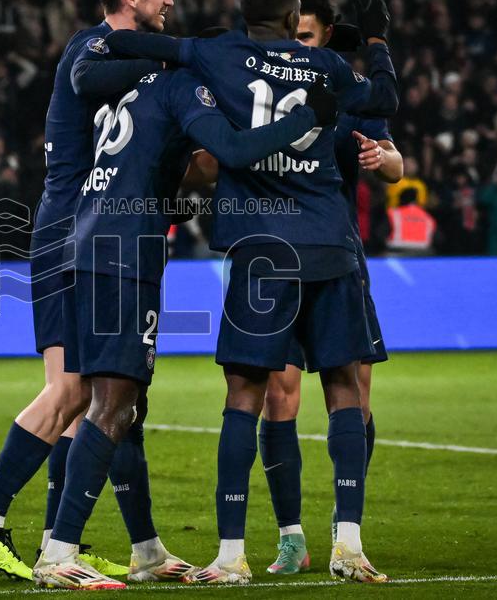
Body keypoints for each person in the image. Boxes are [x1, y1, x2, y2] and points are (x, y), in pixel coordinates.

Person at [104, 0, 398, 584]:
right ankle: (348, 543)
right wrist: (374, 39)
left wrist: (104, 46)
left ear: (243, 17)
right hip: (329, 241)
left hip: (262, 246)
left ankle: (232, 555)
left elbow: (144, 47)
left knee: (245, 395)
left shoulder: (220, 54)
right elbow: (385, 98)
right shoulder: (326, 70)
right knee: (345, 388)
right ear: (295, 20)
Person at [34, 56, 336, 590]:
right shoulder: (183, 87)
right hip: (123, 257)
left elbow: (167, 175)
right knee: (111, 404)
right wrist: (302, 119)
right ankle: (58, 550)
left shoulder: (132, 87)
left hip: (92, 243)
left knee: (124, 406)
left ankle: (144, 550)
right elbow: (230, 152)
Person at [0, 0, 189, 583]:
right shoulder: (93, 48)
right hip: (67, 233)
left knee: (94, 397)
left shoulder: (125, 55)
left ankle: (72, 546)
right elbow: (89, 82)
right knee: (70, 391)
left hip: (82, 229)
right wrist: (192, 55)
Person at [256, 0, 403, 578]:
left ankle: (349, 534)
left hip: (339, 255)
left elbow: (394, 162)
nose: (298, 47)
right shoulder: (262, 93)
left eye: (308, 38)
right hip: (276, 256)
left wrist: (384, 161)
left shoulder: (346, 90)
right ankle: (292, 537)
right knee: (277, 395)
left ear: (324, 40)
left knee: (354, 396)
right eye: (292, 36)